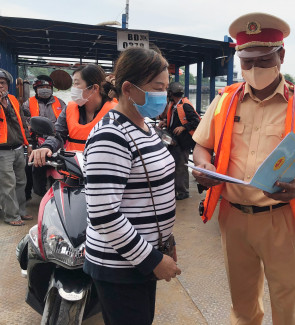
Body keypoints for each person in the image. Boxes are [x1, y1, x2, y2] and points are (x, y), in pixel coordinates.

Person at [192, 13, 295, 324]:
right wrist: (202, 163)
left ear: (281, 56)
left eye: (263, 60)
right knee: (241, 300)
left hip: (281, 218)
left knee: (290, 299)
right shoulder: (224, 100)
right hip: (233, 216)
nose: (254, 69)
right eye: (247, 62)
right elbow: (201, 145)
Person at [83, 47, 181, 325]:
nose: (163, 94)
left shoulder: (146, 125)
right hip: (119, 265)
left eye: (165, 87)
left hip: (140, 259)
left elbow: (152, 191)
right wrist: (152, 260)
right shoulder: (111, 136)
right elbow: (104, 215)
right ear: (128, 88)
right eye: (157, 87)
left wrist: (165, 243)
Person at [29, 64, 116, 168]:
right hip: (73, 171)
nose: (73, 89)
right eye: (73, 84)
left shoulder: (115, 112)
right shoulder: (69, 108)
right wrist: (47, 147)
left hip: (103, 171)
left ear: (94, 88)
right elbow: (58, 134)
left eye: (77, 84)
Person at [22, 75, 67, 199]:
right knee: (29, 168)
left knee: (61, 167)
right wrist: (30, 143)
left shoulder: (60, 102)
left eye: (47, 87)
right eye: (42, 87)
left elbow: (66, 121)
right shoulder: (28, 103)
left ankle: (58, 194)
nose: (45, 89)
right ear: (36, 89)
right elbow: (25, 124)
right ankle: (29, 194)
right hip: (36, 140)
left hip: (57, 139)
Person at [0, 68, 33, 226]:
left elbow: (22, 123)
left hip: (18, 148)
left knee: (21, 181)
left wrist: (28, 142)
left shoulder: (13, 100)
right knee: (8, 183)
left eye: (2, 83)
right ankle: (11, 216)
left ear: (7, 85)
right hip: (3, 151)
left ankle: (21, 211)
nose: (0, 86)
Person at [160, 81, 200, 200]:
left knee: (181, 167)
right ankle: (176, 189)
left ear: (171, 93)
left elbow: (196, 121)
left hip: (183, 142)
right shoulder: (174, 105)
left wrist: (184, 127)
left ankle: (183, 191)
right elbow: (174, 121)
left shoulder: (185, 105)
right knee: (174, 165)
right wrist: (164, 123)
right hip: (174, 140)